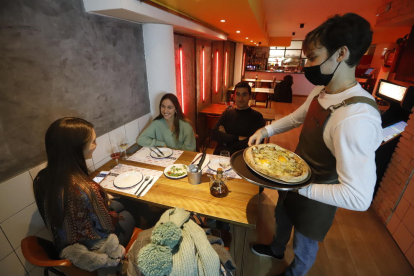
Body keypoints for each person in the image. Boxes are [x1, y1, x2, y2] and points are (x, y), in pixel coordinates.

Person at [248, 13, 382, 276]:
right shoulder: (323, 90)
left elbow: (359, 197)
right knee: (282, 218)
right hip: (294, 179)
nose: (306, 65)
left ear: (341, 53)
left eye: (313, 57)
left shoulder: (355, 118)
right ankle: (276, 249)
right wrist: (267, 130)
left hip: (319, 194)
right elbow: (298, 117)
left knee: (305, 243)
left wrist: (302, 188)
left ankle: (295, 272)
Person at [33, 118, 135, 266]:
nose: (96, 145)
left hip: (63, 245)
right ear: (76, 148)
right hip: (92, 251)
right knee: (128, 214)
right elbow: (106, 226)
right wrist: (104, 201)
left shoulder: (40, 178)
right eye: (93, 142)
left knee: (118, 204)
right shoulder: (87, 188)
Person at [211, 81, 265, 155]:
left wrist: (225, 140)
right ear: (234, 96)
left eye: (244, 94)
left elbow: (252, 143)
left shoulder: (257, 117)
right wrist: (237, 138)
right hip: (221, 155)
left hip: (242, 157)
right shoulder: (227, 113)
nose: (241, 98)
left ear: (250, 96)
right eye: (238, 94)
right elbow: (214, 134)